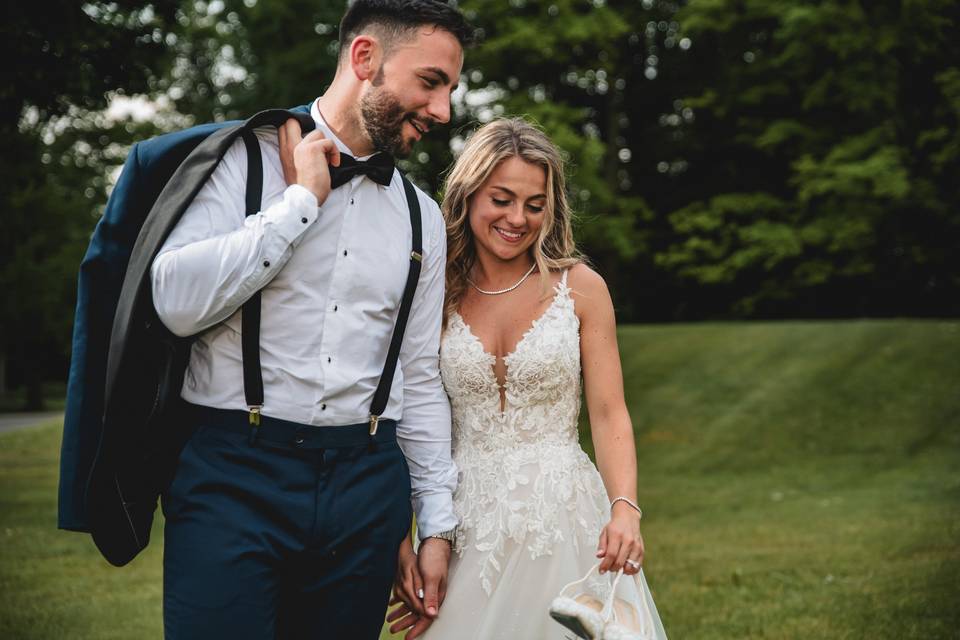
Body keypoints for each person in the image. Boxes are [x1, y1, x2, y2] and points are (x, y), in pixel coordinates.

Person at [149, 1, 472, 637]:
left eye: (450, 91)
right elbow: (174, 305)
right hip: (232, 476)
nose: (443, 111)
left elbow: (419, 375)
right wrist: (298, 204)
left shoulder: (423, 218)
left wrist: (435, 522)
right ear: (364, 58)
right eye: (431, 82)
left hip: (365, 485)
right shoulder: (239, 161)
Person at [386, 118, 668, 639]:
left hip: (563, 521)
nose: (518, 218)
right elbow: (406, 417)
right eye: (502, 199)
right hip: (461, 522)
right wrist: (409, 538)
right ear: (468, 194)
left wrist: (624, 509)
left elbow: (609, 414)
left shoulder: (582, 288)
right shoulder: (432, 288)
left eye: (534, 205)